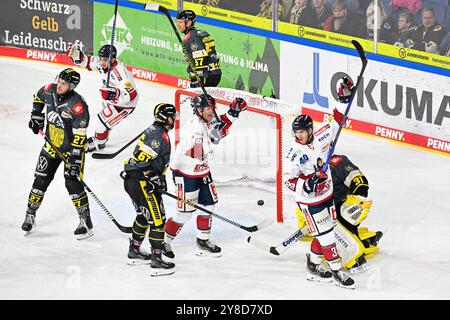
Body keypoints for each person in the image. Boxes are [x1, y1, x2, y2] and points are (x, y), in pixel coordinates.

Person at [284, 79, 355, 289]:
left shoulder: (322, 135)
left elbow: (338, 121)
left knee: (326, 229)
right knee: (326, 235)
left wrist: (343, 99)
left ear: (310, 130)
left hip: (327, 194)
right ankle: (336, 270)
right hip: (309, 202)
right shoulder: (293, 154)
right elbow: (288, 181)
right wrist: (308, 184)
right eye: (296, 132)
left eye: (302, 132)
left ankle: (314, 265)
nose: (298, 135)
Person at [163, 94, 247, 258]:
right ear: (199, 110)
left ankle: (202, 241)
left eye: (212, 107)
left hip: (202, 172)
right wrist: (217, 135)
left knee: (208, 206)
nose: (211, 111)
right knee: (184, 214)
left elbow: (220, 122)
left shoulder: (207, 119)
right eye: (207, 108)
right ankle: (163, 242)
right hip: (185, 174)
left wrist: (234, 111)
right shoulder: (194, 127)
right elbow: (197, 152)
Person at [22, 68, 92, 240]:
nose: (59, 86)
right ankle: (30, 214)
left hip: (70, 151)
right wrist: (36, 115)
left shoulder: (78, 105)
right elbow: (38, 96)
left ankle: (85, 221)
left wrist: (74, 159)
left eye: (64, 84)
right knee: (40, 180)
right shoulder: (49, 90)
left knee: (72, 183)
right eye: (59, 81)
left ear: (72, 86)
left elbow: (80, 136)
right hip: (51, 146)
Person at [122, 103, 177, 276]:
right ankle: (156, 259)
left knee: (143, 217)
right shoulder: (158, 136)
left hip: (136, 181)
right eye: (172, 116)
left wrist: (157, 178)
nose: (174, 119)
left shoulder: (156, 131)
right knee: (158, 221)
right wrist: (153, 177)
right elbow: (141, 160)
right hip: (142, 183)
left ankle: (135, 250)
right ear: (165, 118)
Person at [66, 44, 139, 151]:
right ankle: (104, 134)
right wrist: (78, 56)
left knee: (99, 124)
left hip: (125, 104)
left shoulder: (121, 73)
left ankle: (99, 142)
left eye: (104, 60)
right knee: (105, 121)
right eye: (101, 59)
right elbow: (88, 62)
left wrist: (114, 94)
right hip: (111, 99)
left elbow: (132, 94)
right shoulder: (103, 63)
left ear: (113, 58)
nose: (101, 62)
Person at [176, 10, 222, 88]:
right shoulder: (201, 33)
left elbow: (200, 56)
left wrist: (197, 78)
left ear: (189, 23)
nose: (178, 25)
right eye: (177, 22)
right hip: (215, 73)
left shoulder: (191, 37)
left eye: (181, 22)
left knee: (200, 99)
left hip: (206, 76)